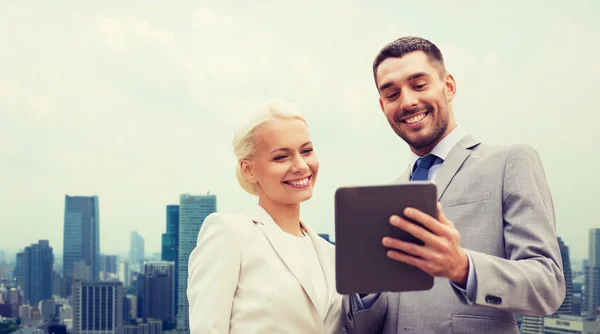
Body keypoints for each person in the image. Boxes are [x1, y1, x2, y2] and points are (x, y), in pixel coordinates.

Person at [342, 36, 566, 333]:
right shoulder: (386, 197)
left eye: (419, 85)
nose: (407, 101)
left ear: (448, 86)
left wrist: (462, 267)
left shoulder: (509, 162)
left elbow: (547, 286)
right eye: (392, 94)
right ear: (383, 106)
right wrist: (364, 289)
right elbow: (364, 326)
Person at [187, 99, 343, 333]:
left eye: (306, 151)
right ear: (248, 169)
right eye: (281, 157)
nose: (301, 165)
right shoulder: (229, 235)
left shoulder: (330, 254)